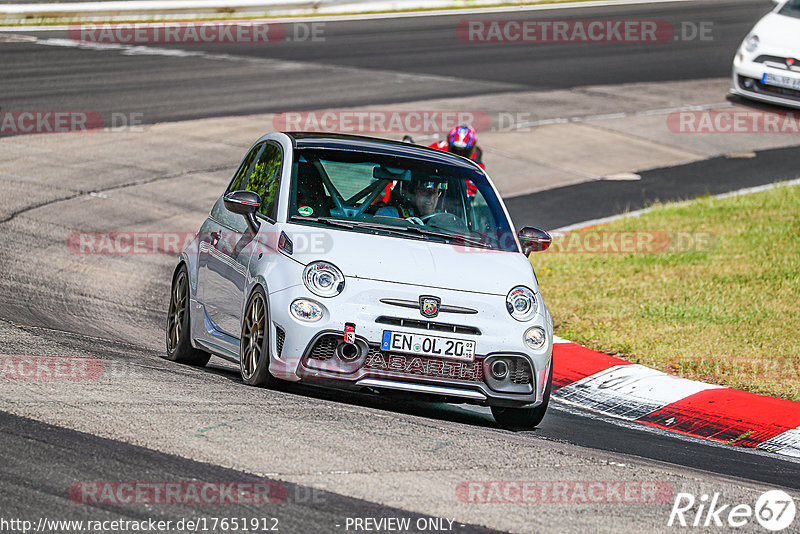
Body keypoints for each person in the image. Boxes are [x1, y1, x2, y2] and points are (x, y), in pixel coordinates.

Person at [375, 173, 446, 221]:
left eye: (434, 192)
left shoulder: (444, 221)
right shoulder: (390, 214)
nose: (430, 197)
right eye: (424, 192)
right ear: (413, 193)